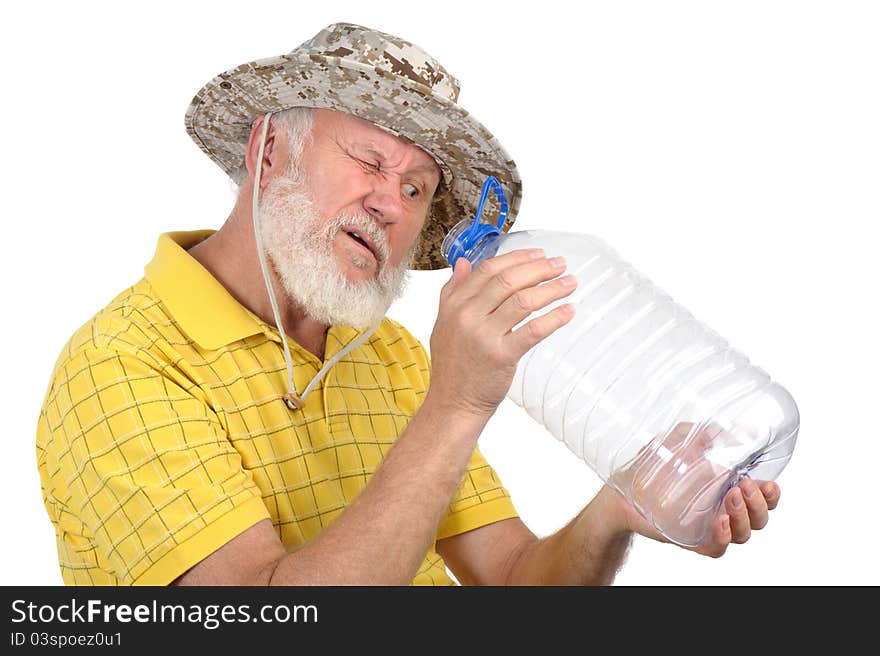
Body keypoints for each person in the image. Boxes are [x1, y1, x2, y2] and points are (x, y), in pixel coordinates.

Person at [36, 23, 780, 586]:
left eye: (418, 188)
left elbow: (516, 578)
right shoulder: (121, 366)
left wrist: (622, 507)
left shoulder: (384, 354)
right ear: (268, 151)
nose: (391, 202)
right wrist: (455, 406)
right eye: (370, 160)